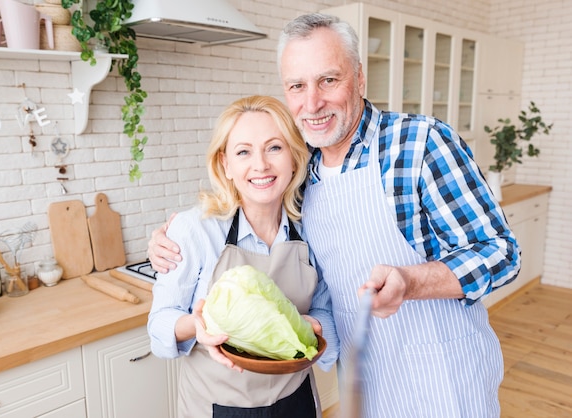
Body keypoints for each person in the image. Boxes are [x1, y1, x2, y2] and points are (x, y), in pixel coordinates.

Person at [149, 14, 520, 417]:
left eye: (328, 80)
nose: (312, 103)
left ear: (359, 79)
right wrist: (171, 239)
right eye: (297, 86)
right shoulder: (301, 178)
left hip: (442, 378)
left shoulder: (420, 144)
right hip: (363, 383)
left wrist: (410, 281)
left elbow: (501, 252)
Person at [147, 95, 337, 418]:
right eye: (243, 152)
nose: (260, 164)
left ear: (294, 157)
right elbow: (159, 324)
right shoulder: (196, 230)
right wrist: (197, 325)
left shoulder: (311, 229)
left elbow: (326, 313)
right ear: (226, 165)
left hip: (297, 402)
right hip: (218, 406)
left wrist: (312, 326)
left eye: (274, 147)